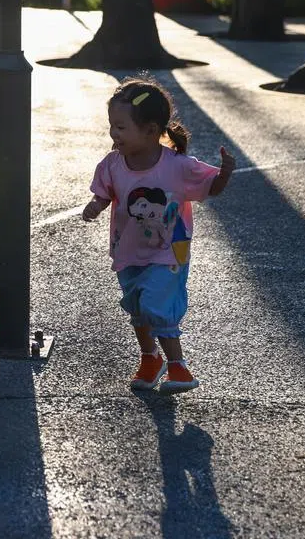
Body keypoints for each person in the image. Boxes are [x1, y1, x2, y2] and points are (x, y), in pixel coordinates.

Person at [82, 77, 236, 395]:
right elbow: (104, 193)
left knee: (157, 305)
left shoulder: (177, 166)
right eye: (112, 126)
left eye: (121, 127)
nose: (114, 134)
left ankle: (179, 368)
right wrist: (96, 205)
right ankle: (150, 359)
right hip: (128, 250)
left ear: (151, 131)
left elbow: (210, 187)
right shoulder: (113, 164)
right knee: (138, 307)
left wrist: (225, 174)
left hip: (169, 251)